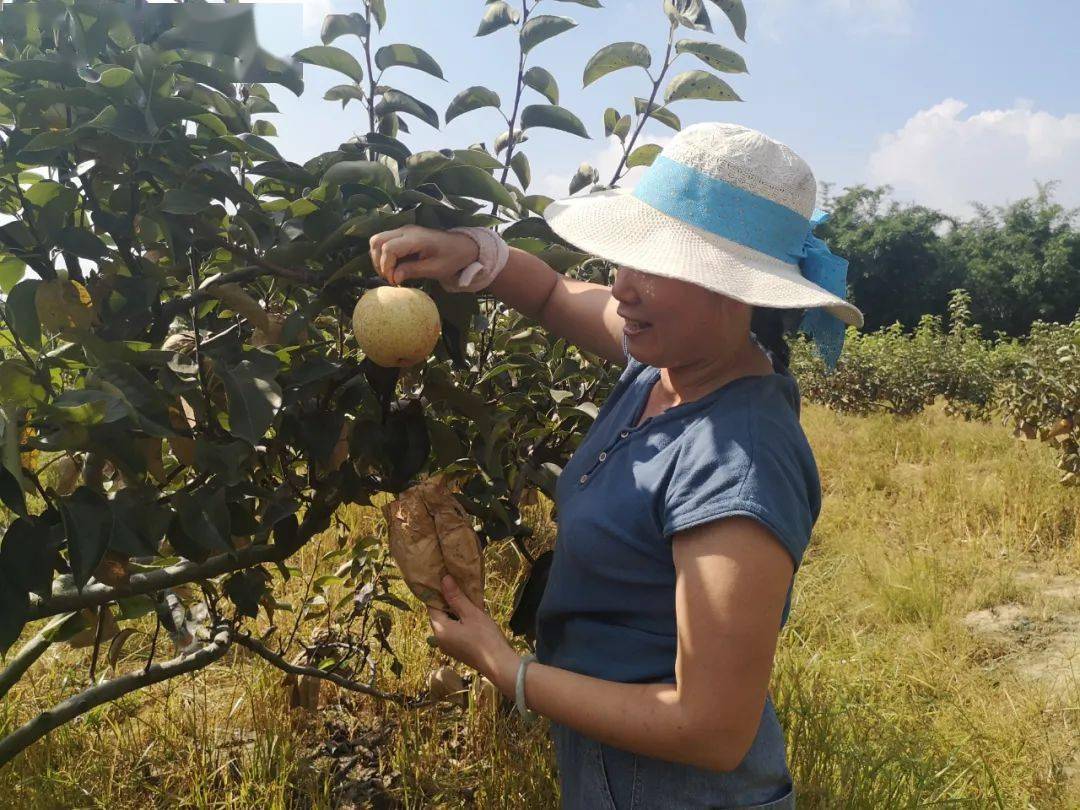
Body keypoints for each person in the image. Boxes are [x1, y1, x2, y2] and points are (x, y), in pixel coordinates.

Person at [368, 122, 863, 809]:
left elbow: (713, 729)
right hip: (614, 769)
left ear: (734, 288)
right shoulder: (667, 364)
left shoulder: (739, 460)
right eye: (626, 257)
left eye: (655, 268)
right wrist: (468, 253)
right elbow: (551, 295)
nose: (621, 285)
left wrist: (507, 670)